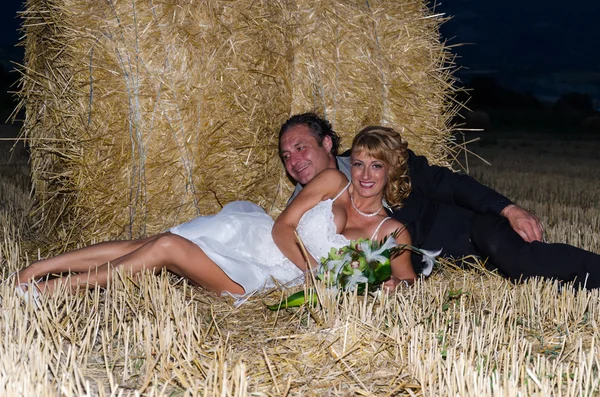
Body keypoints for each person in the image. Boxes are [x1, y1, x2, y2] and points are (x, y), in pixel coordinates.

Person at [11, 127, 416, 300]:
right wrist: (318, 272)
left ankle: (54, 290)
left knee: (166, 246)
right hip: (256, 238)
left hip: (264, 277)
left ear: (391, 171)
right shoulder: (331, 182)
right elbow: (283, 227)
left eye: (376, 166)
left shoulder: (392, 231)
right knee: (147, 244)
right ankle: (34, 272)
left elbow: (408, 283)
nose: (364, 174)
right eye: (359, 163)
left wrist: (391, 290)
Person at [280, 113, 600, 289]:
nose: (293, 161)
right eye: (286, 155)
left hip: (464, 231)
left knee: (521, 263)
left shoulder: (373, 159)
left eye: (300, 147)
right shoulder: (300, 206)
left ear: (325, 143)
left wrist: (508, 208)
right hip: (424, 267)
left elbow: (447, 184)